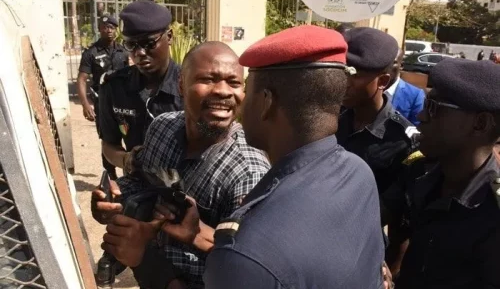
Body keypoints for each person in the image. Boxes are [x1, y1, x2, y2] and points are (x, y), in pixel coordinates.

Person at [152, 25, 386, 288]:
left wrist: (146, 264)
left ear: (265, 102)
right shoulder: (359, 173)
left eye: (244, 87)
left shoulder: (242, 258)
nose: (234, 98)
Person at [93, 41, 270, 288]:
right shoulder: (161, 128)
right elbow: (142, 180)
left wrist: (144, 257)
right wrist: (114, 198)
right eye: (208, 79)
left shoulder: (249, 172)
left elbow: (243, 271)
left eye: (234, 82)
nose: (223, 91)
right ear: (181, 86)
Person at [383, 58, 500, 288]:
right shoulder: (418, 171)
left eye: (434, 107)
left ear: (480, 124)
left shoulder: (493, 214)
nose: (422, 116)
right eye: (426, 103)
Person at [98, 1, 183, 175]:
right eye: (131, 45)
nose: (140, 53)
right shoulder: (114, 87)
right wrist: (125, 159)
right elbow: (109, 144)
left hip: (183, 190)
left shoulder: (190, 86)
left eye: (149, 43)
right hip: (136, 188)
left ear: (169, 37)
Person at [338, 27, 420, 196]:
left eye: (354, 75)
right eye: (342, 72)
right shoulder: (331, 119)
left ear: (382, 81)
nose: (344, 82)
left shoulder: (403, 140)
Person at [77, 14, 128, 179]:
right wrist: (85, 104)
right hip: (103, 104)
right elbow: (82, 79)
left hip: (123, 102)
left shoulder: (123, 51)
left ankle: (130, 173)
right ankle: (111, 176)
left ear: (116, 30)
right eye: (105, 27)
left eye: (112, 27)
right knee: (108, 139)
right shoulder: (91, 53)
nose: (109, 30)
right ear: (99, 29)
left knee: (129, 134)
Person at [386, 49, 425, 125]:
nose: (387, 67)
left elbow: (416, 128)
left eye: (393, 63)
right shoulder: (371, 87)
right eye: (384, 62)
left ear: (401, 66)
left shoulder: (415, 95)